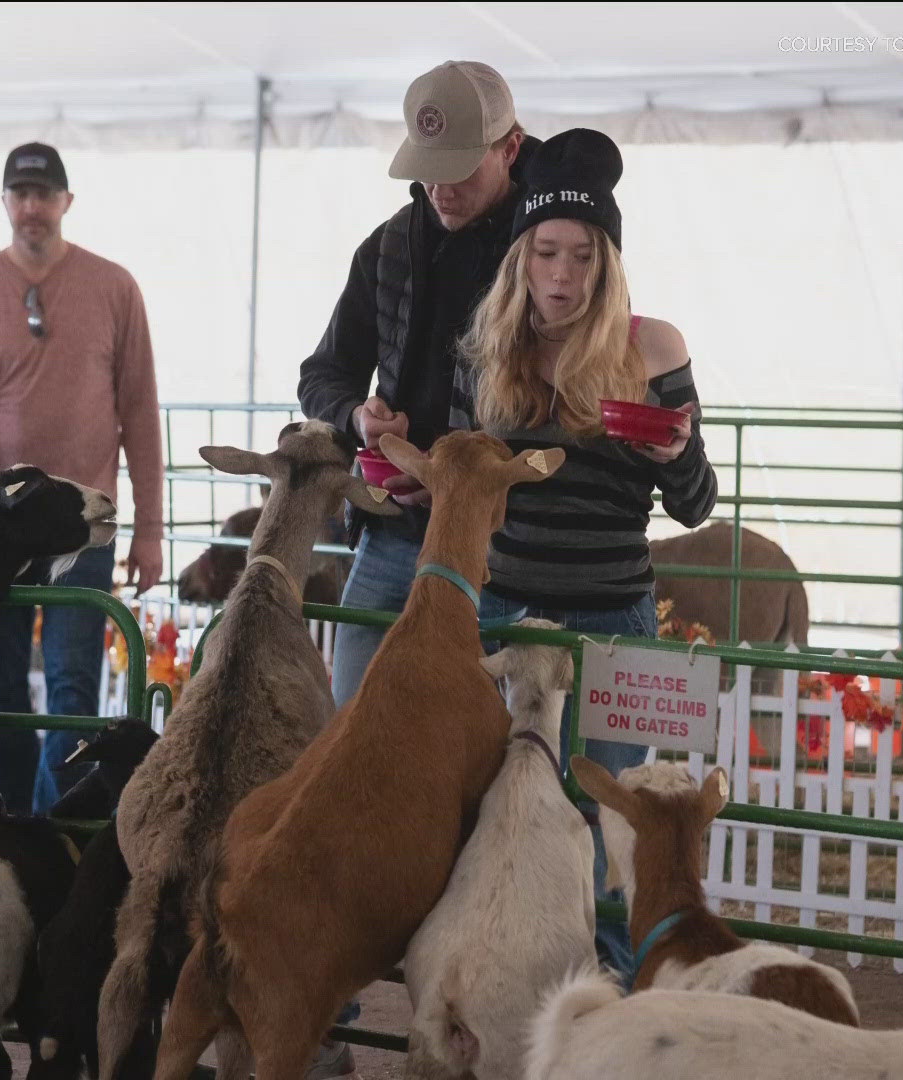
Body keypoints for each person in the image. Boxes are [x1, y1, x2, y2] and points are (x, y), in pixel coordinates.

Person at [447, 127, 718, 977]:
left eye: (583, 258)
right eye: (548, 254)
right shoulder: (487, 350)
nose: (562, 277)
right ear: (521, 256)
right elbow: (468, 479)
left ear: (608, 265)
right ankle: (484, 967)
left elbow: (699, 504)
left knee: (606, 814)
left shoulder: (654, 349)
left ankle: (597, 985)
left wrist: (675, 455)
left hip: (613, 617)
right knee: (489, 802)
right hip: (503, 612)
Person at [0, 142, 164, 816]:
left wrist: (150, 533)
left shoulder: (114, 288)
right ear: (3, 204)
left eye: (44, 194)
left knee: (75, 683)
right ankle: (16, 821)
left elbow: (140, 411)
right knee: (0, 689)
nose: (32, 207)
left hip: (85, 528)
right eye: (20, 194)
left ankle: (59, 826)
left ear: (66, 203)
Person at [296, 60, 536, 710]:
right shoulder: (385, 249)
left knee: (480, 751)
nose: (441, 187)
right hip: (391, 530)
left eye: (461, 166)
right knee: (353, 726)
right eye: (429, 165)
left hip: (500, 552)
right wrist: (357, 418)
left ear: (510, 148)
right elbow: (323, 374)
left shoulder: (546, 255)